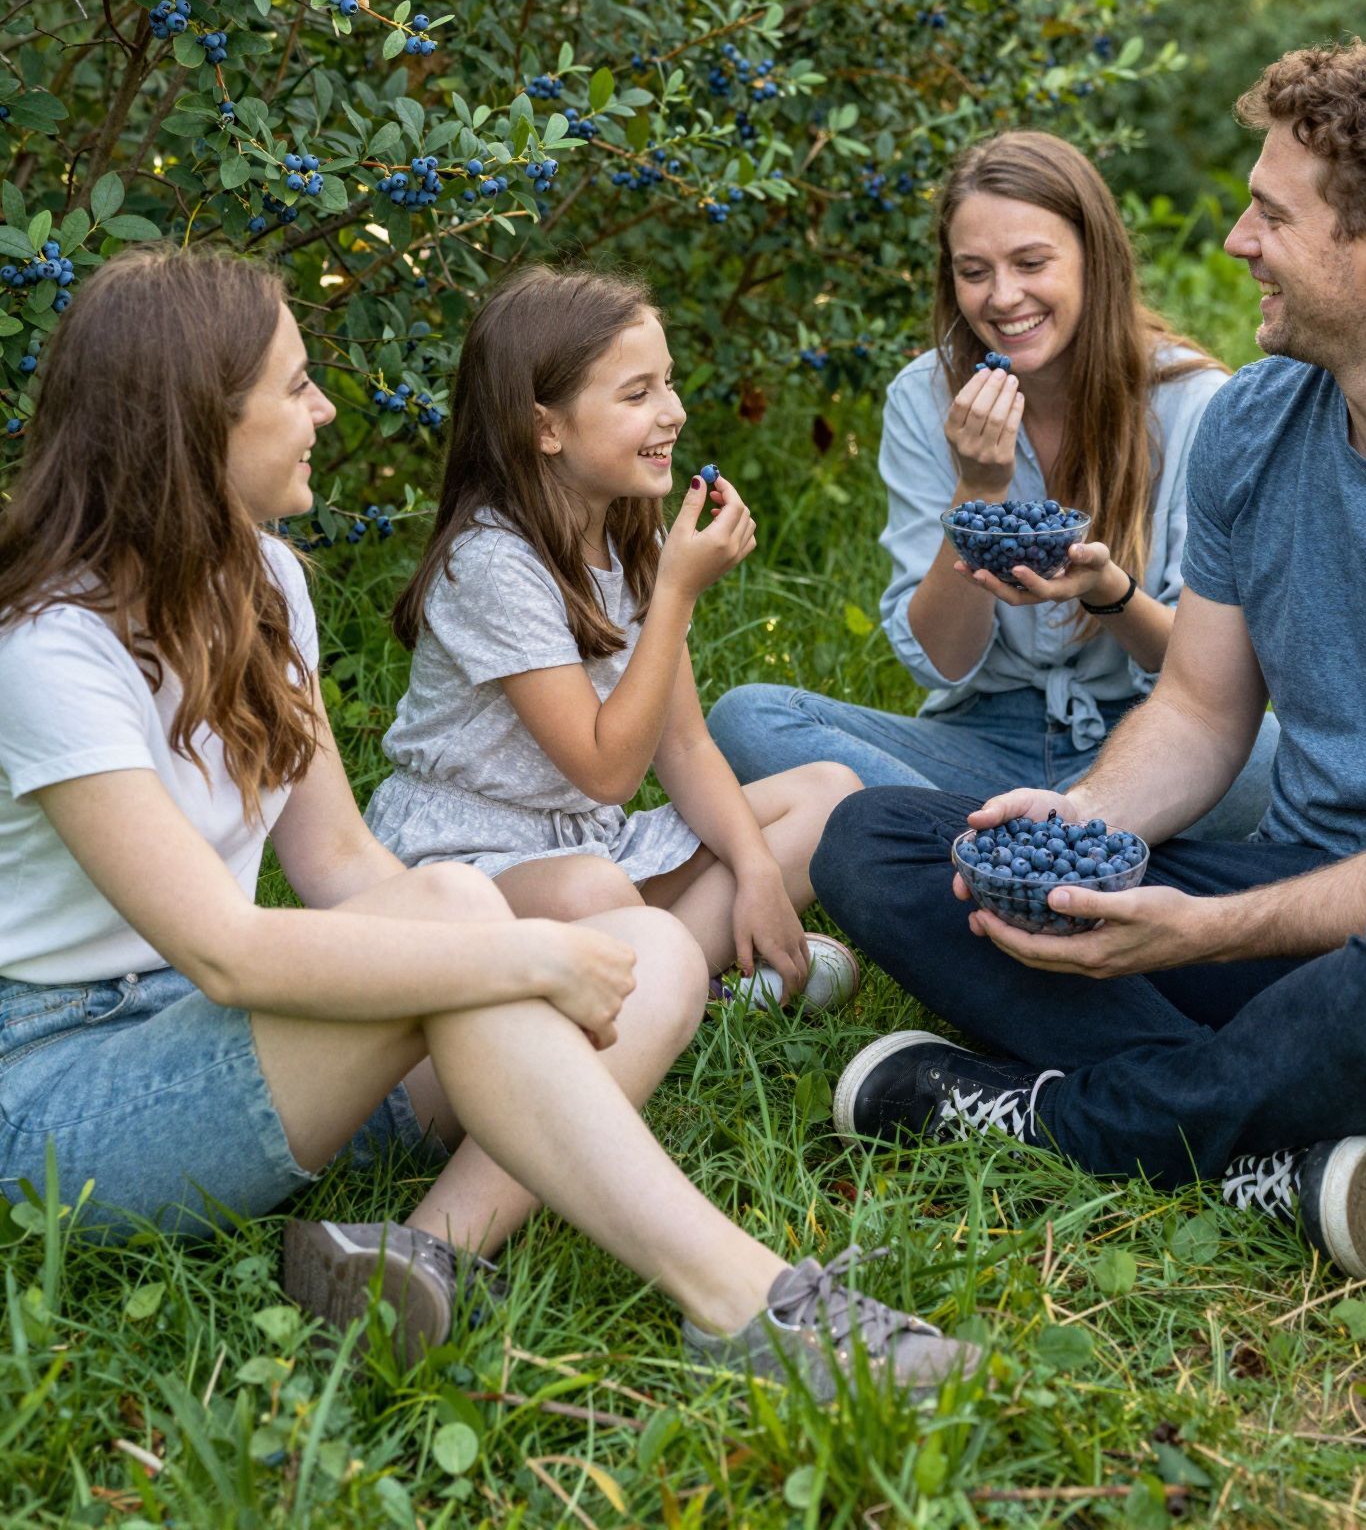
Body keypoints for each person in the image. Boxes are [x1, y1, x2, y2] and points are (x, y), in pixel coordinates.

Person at [0, 246, 981, 1394]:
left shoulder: (264, 581)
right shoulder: (51, 651)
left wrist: (518, 962)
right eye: (296, 385)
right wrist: (518, 953)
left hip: (234, 1047)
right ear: (196, 422)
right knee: (481, 912)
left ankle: (409, 1259)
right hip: (59, 1087)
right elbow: (226, 948)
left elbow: (340, 861)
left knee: (654, 950)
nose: (324, 408)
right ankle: (747, 1298)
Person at [815, 40, 1366, 1281]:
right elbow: (1202, 711)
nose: (1237, 242)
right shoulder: (1259, 420)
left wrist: (1197, 930)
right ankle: (1279, 1129)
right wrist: (1083, 825)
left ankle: (1058, 1116)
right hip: (1298, 899)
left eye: (1271, 213)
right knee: (877, 842)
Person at [708, 132, 1277, 839]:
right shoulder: (923, 396)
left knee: (1268, 753)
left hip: (1146, 739)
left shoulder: (1196, 402)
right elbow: (943, 664)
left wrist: (1108, 593)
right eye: (973, 271)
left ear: (1094, 260)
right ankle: (1045, 850)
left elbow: (1208, 674)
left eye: (1032, 262)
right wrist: (977, 488)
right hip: (976, 743)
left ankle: (967, 849)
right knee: (749, 716)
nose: (1004, 298)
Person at [364, 265, 861, 1013]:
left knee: (830, 795)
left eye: (668, 382)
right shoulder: (494, 562)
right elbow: (607, 770)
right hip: (468, 859)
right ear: (546, 428)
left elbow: (685, 748)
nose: (675, 413)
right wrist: (676, 597)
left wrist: (757, 872)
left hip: (590, 839)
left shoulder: (634, 536)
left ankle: (659, 979)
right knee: (596, 890)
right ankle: (687, 981)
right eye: (638, 394)